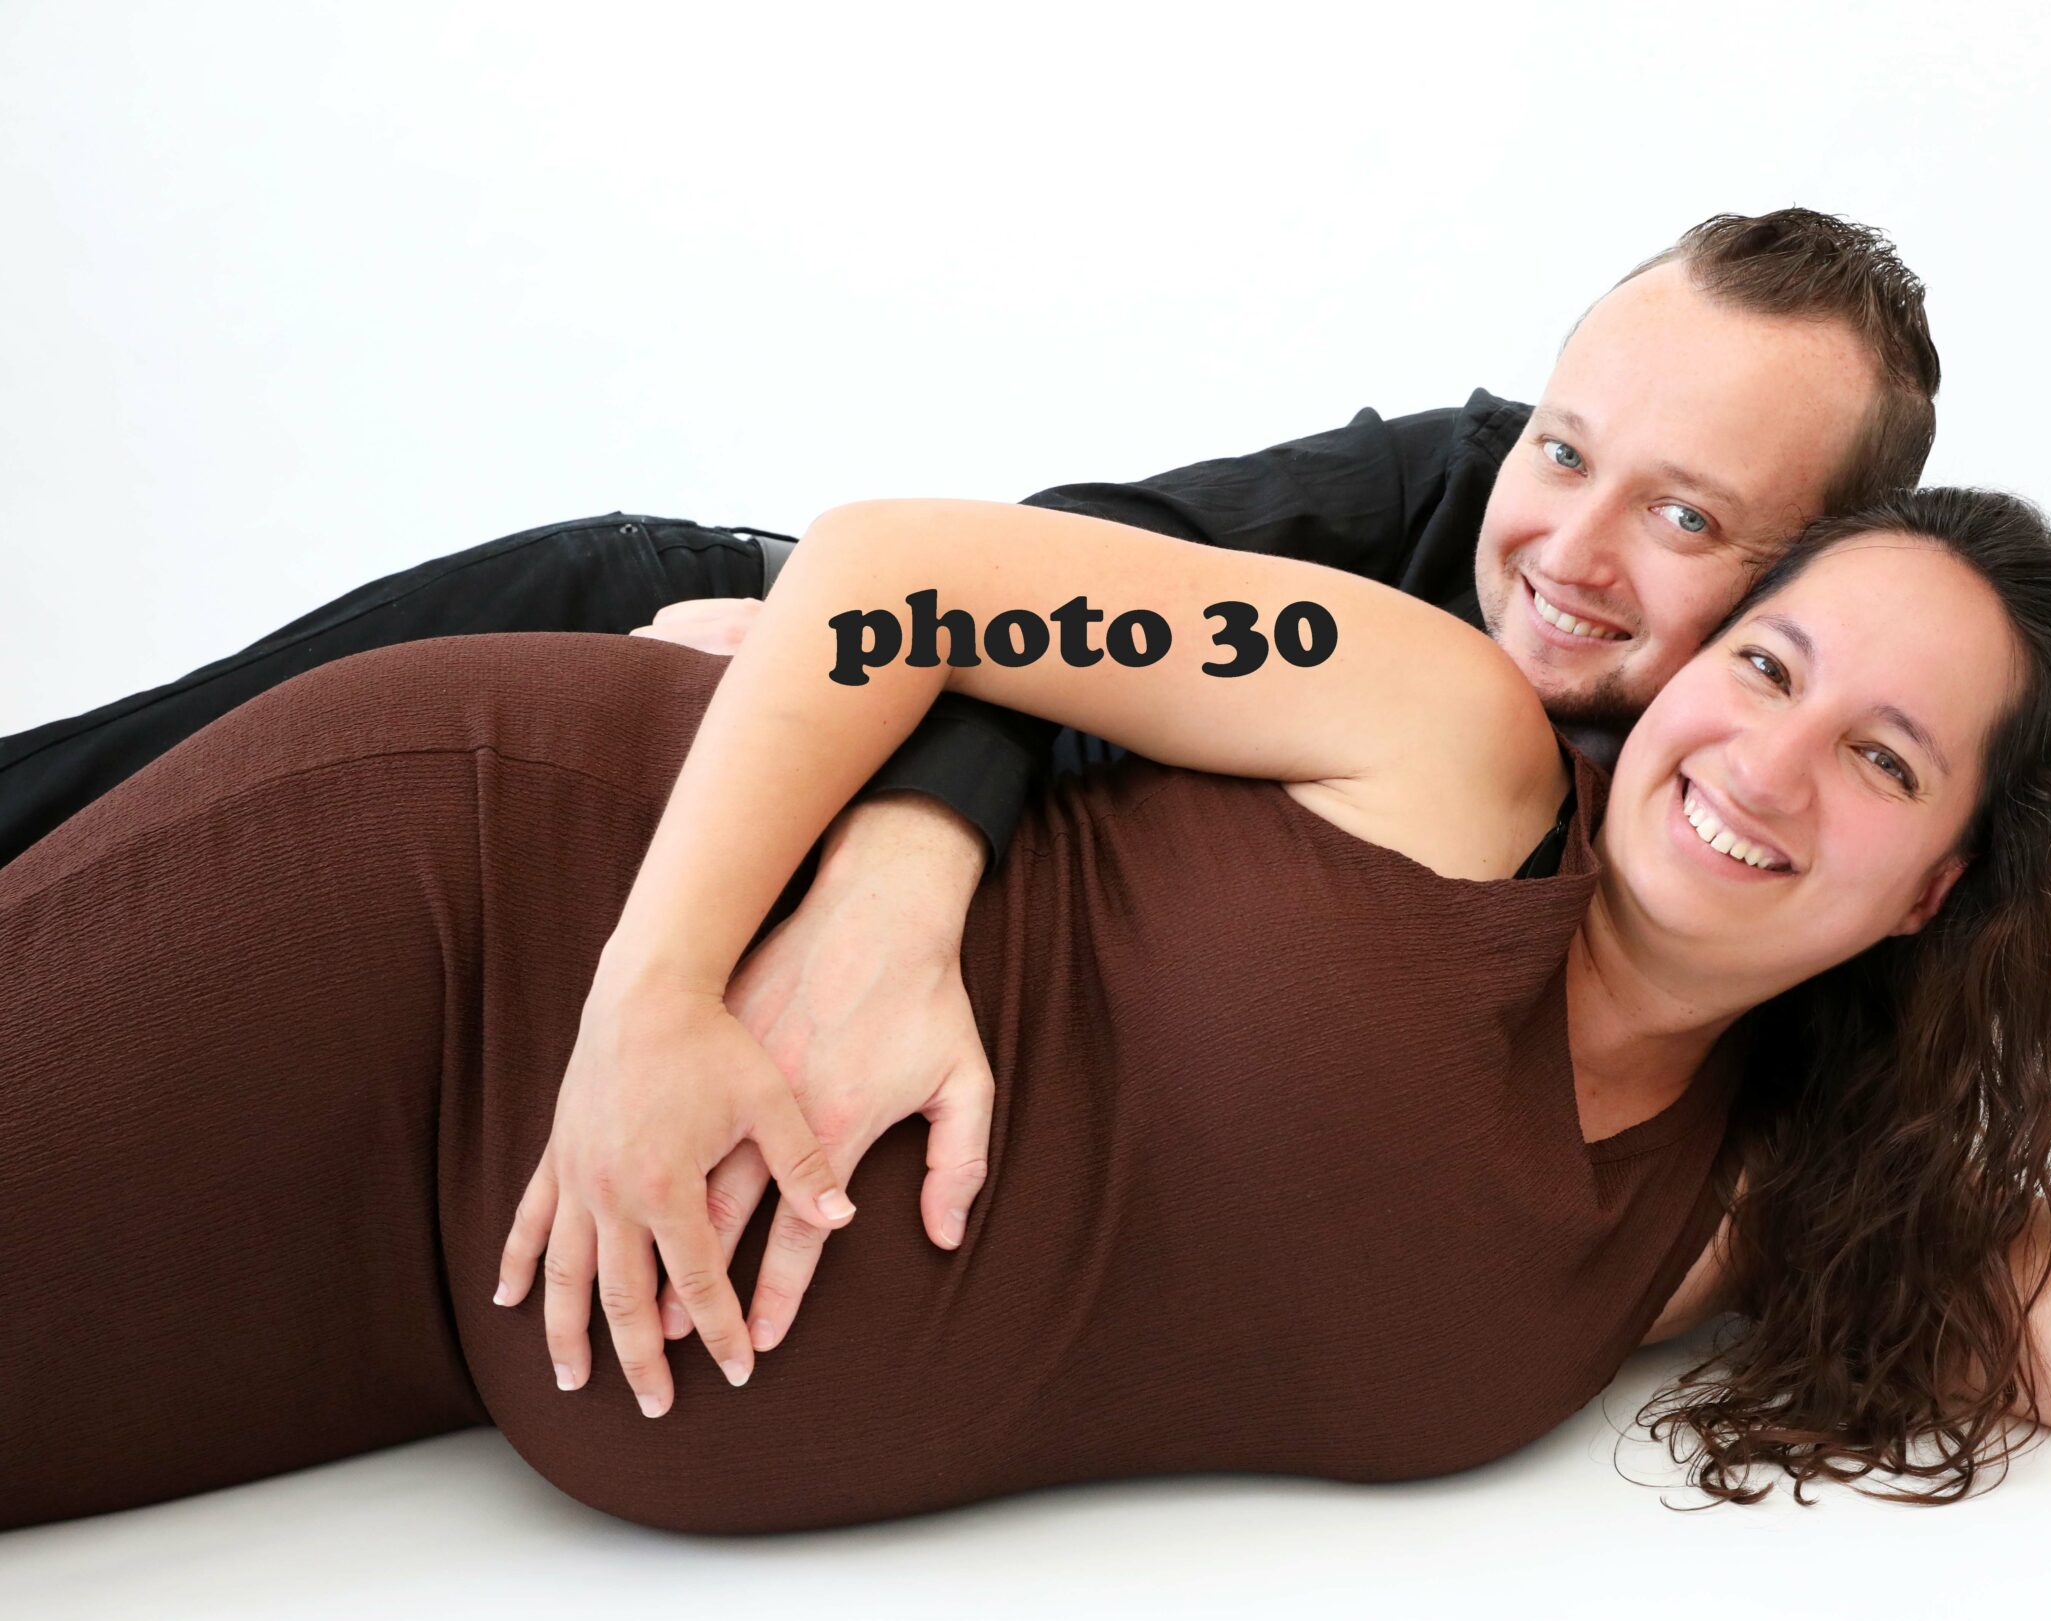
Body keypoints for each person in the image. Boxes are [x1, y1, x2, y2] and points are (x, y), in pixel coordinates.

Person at [0, 480, 2051, 1535]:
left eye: (1887, 761)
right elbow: (893, 574)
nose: (1765, 761)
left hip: (455, 1300)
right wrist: (647, 999)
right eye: (1767, 663)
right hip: (471, 926)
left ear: (1943, 889)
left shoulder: (1729, 1213)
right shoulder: (1446, 735)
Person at [0, 211, 1938, 1413]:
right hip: (676, 643)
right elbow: (1039, 562)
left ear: (1816, 585)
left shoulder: (1748, 819)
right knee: (77, 813)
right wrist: (902, 871)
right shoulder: (1436, 507)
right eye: (1563, 447)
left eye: (1684, 513)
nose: (1571, 548)